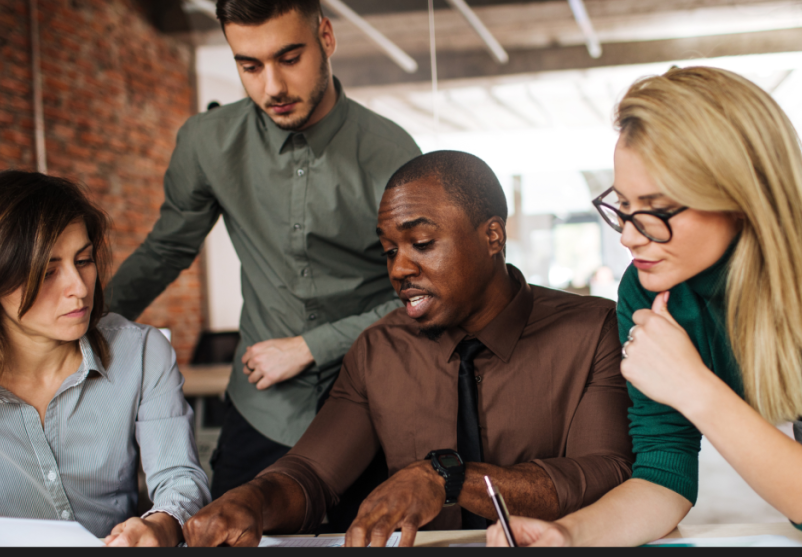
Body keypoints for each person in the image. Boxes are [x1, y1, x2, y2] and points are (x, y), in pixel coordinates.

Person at [487, 66, 802, 548]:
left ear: (739, 196)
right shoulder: (653, 287)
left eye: (654, 208)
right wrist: (569, 534)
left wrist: (694, 387)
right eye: (624, 206)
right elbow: (663, 474)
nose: (630, 235)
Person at [182, 150, 634, 547]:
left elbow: (606, 474)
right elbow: (312, 475)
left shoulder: (591, 329)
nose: (398, 269)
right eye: (388, 250)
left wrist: (448, 479)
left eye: (421, 244)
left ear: (493, 237)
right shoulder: (379, 349)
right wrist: (252, 499)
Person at [104, 0, 422, 516]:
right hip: (262, 411)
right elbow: (164, 252)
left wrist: (310, 346)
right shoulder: (206, 143)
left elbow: (421, 297)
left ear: (326, 37)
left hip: (374, 405)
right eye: (249, 66)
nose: (271, 87)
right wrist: (81, 326)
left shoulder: (393, 155)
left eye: (289, 59)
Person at [0, 171, 210, 546]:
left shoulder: (141, 351)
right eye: (47, 272)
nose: (78, 287)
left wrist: (161, 524)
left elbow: (179, 479)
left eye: (84, 259)